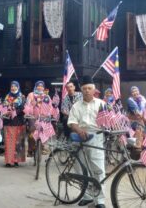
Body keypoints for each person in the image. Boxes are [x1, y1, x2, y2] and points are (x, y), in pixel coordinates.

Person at [67, 76, 106, 208]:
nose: (87, 91)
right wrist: (78, 130)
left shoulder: (101, 104)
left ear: (94, 90)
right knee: (81, 169)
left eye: (89, 88)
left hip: (96, 136)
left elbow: (107, 121)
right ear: (81, 90)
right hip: (80, 136)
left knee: (98, 169)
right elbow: (72, 122)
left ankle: (100, 200)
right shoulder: (76, 105)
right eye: (84, 89)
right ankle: (87, 196)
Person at [26, 80, 52, 156]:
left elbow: (50, 106)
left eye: (41, 86)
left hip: (43, 117)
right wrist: (29, 112)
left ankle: (44, 147)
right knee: (32, 132)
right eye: (38, 86)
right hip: (33, 116)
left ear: (43, 88)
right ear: (36, 86)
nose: (40, 87)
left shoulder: (46, 95)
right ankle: (30, 149)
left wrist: (49, 114)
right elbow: (28, 104)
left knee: (45, 130)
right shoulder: (31, 94)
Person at [3, 81, 26, 167]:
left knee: (18, 142)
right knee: (9, 142)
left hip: (18, 122)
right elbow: (4, 106)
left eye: (15, 86)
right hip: (8, 122)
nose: (13, 88)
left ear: (18, 87)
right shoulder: (7, 96)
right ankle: (9, 161)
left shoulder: (22, 97)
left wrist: (15, 112)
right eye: (12, 86)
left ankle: (16, 160)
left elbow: (23, 108)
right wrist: (7, 112)